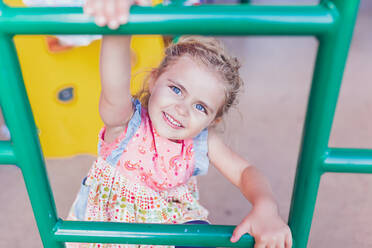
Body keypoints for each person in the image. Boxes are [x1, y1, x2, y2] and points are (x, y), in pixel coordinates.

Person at [67, 1, 293, 248]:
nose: (182, 109)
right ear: (154, 80)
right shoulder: (124, 125)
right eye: (176, 89)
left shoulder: (200, 140)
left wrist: (266, 207)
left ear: (212, 119)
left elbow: (244, 172)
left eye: (200, 107)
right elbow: (113, 82)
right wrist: (118, 25)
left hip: (172, 232)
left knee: (199, 238)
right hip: (117, 236)